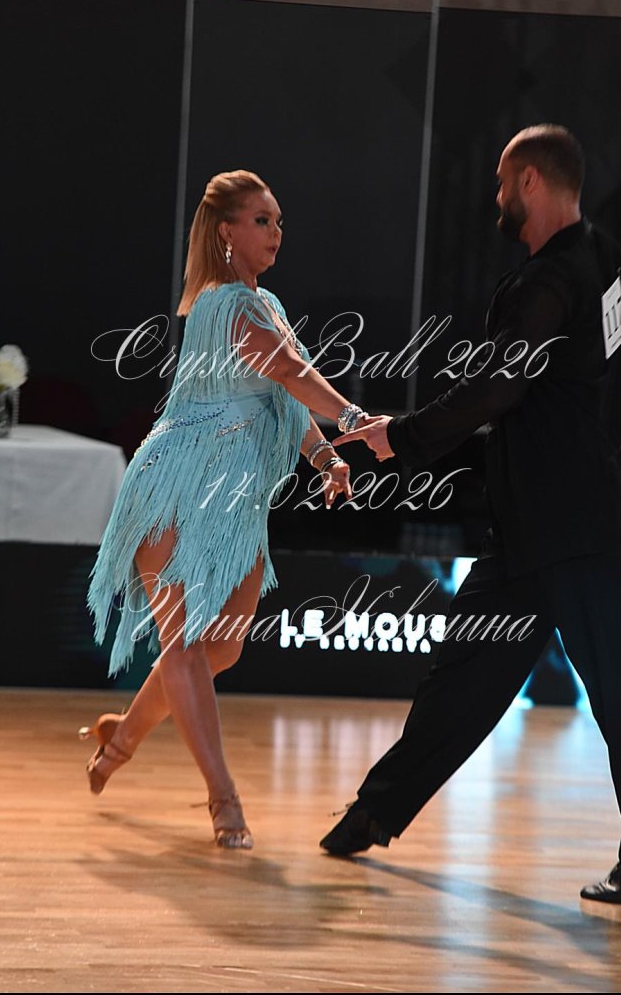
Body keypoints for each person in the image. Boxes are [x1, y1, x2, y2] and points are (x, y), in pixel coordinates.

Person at [320, 125, 621, 904]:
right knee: (464, 679)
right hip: (534, 531)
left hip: (575, 530)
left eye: (505, 181)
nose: (497, 195)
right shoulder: (603, 259)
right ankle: (376, 811)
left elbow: (497, 386)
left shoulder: (549, 281)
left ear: (532, 182)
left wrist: (401, 435)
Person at [82, 169, 369, 848]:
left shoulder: (267, 305)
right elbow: (291, 372)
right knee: (181, 646)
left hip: (234, 504)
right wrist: (357, 418)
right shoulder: (223, 304)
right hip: (174, 482)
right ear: (226, 232)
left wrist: (326, 458)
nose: (276, 232)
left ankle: (119, 738)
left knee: (224, 648)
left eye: (279, 221)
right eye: (262, 220)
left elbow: (285, 398)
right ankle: (223, 798)